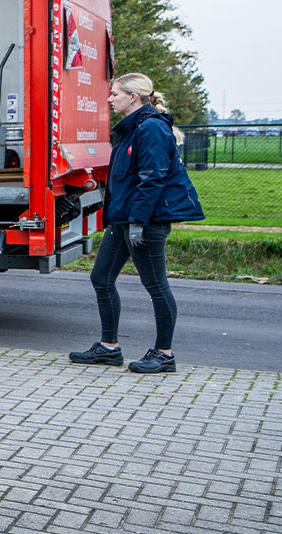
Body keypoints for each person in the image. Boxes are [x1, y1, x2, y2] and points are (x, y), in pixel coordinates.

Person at [69, 73, 204, 373]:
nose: (109, 99)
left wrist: (139, 223)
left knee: (156, 285)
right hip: (124, 219)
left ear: (133, 97)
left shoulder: (152, 128)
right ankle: (109, 348)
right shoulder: (132, 129)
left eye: (115, 93)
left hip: (146, 221)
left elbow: (152, 178)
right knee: (101, 278)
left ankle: (164, 354)